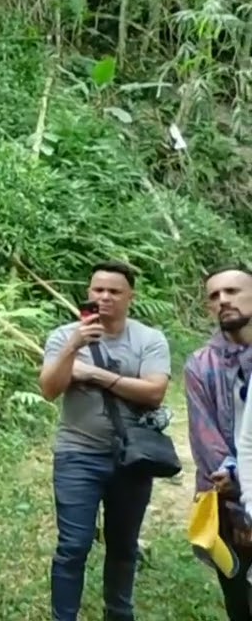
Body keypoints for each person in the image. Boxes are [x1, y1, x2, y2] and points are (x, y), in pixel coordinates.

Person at [38, 261, 171, 621]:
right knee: (72, 546)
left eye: (114, 291)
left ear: (131, 297)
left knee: (123, 546)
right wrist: (73, 348)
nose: (105, 297)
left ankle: (119, 614)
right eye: (98, 290)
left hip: (133, 456)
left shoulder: (148, 339)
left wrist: (93, 373)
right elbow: (50, 389)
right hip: (77, 453)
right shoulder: (63, 335)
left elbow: (155, 391)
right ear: (88, 293)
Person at [189, 264, 252, 620]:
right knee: (240, 601)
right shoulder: (201, 364)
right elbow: (205, 437)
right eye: (215, 296)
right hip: (228, 502)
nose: (223, 300)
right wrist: (238, 494)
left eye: (233, 291)